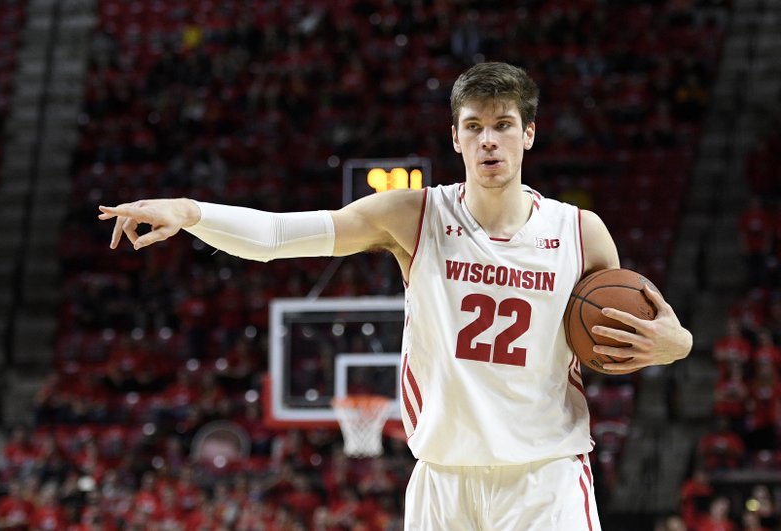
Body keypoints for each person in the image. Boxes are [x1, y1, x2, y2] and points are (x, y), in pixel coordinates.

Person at [99, 62, 693, 530]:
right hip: (442, 478)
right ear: (455, 136)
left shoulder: (580, 232)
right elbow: (280, 237)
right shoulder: (414, 215)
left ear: (529, 133)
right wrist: (190, 211)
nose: (489, 141)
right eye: (474, 126)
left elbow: (616, 346)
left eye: (504, 124)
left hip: (546, 479)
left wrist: (678, 344)